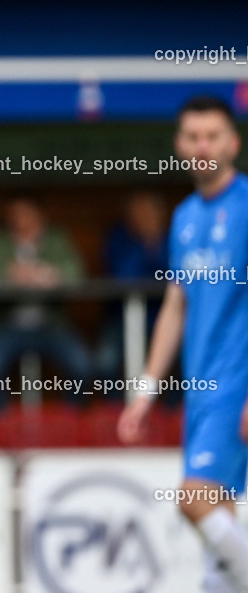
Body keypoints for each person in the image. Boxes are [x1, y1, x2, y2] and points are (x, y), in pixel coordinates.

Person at [118, 96, 248, 593]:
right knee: (220, 519)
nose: (202, 146)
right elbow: (176, 305)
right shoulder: (185, 216)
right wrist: (146, 388)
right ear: (179, 146)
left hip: (236, 383)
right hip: (201, 387)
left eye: (212, 135)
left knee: (195, 500)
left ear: (232, 142)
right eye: (193, 137)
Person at [0, 197, 93, 407]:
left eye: (25, 214)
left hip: (52, 323)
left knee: (82, 366)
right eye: (14, 215)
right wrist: (11, 276)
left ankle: (68, 423)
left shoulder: (57, 239)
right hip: (7, 324)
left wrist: (50, 275)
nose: (19, 220)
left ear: (40, 216)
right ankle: (2, 426)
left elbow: (75, 275)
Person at [97, 191, 170, 399]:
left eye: (148, 213)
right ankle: (114, 412)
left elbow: (174, 275)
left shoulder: (173, 238)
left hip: (162, 317)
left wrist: (154, 244)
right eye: (137, 213)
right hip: (121, 320)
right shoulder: (118, 239)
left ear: (160, 214)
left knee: (186, 358)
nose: (143, 218)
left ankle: (172, 413)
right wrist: (144, 244)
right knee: (105, 362)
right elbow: (124, 276)